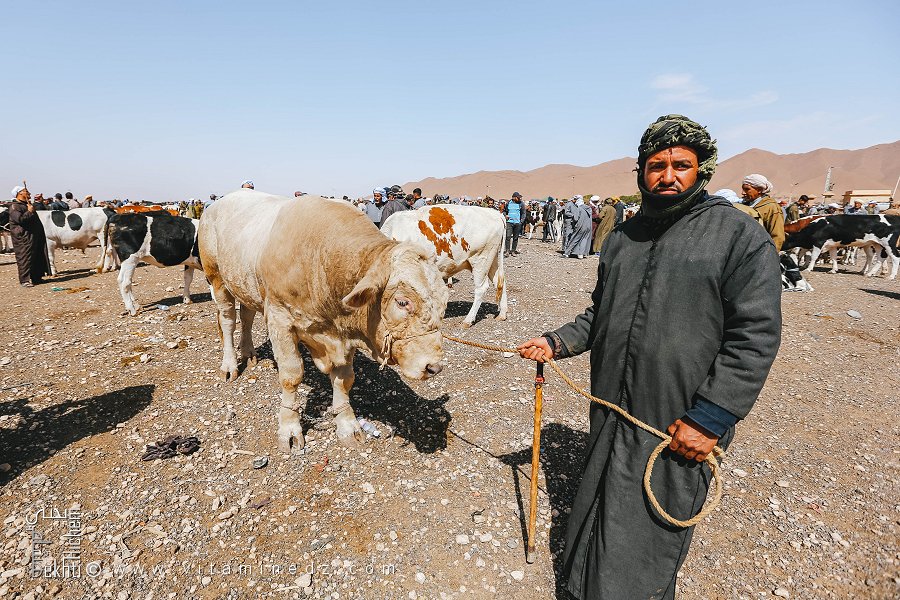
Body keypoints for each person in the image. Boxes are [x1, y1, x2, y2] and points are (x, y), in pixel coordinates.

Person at [517, 114, 781, 600]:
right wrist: (557, 342)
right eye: (657, 165)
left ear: (702, 170)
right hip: (612, 401)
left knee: (650, 524)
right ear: (641, 171)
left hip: (679, 416)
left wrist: (711, 417)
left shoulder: (737, 236)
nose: (668, 176)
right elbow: (602, 312)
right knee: (600, 495)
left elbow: (755, 335)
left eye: (681, 165)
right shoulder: (624, 238)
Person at [8, 185, 50, 287]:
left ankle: (36, 278)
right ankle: (25, 280)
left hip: (33, 236)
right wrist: (29, 211)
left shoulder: (27, 205)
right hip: (23, 238)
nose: (29, 193)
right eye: (26, 191)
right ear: (19, 193)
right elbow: (20, 220)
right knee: (25, 257)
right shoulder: (14, 207)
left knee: (36, 256)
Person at [741, 174, 785, 250]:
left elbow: (778, 237)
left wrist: (769, 255)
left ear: (759, 190)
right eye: (743, 189)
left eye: (747, 189)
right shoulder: (745, 204)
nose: (743, 193)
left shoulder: (771, 207)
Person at [503, 192, 525, 256]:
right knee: (508, 237)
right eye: (518, 197)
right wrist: (505, 215)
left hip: (517, 223)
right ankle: (507, 251)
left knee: (515, 238)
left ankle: (513, 251)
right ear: (514, 197)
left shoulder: (521, 204)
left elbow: (523, 213)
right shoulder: (508, 203)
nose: (519, 198)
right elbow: (504, 211)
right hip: (509, 222)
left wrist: (521, 221)